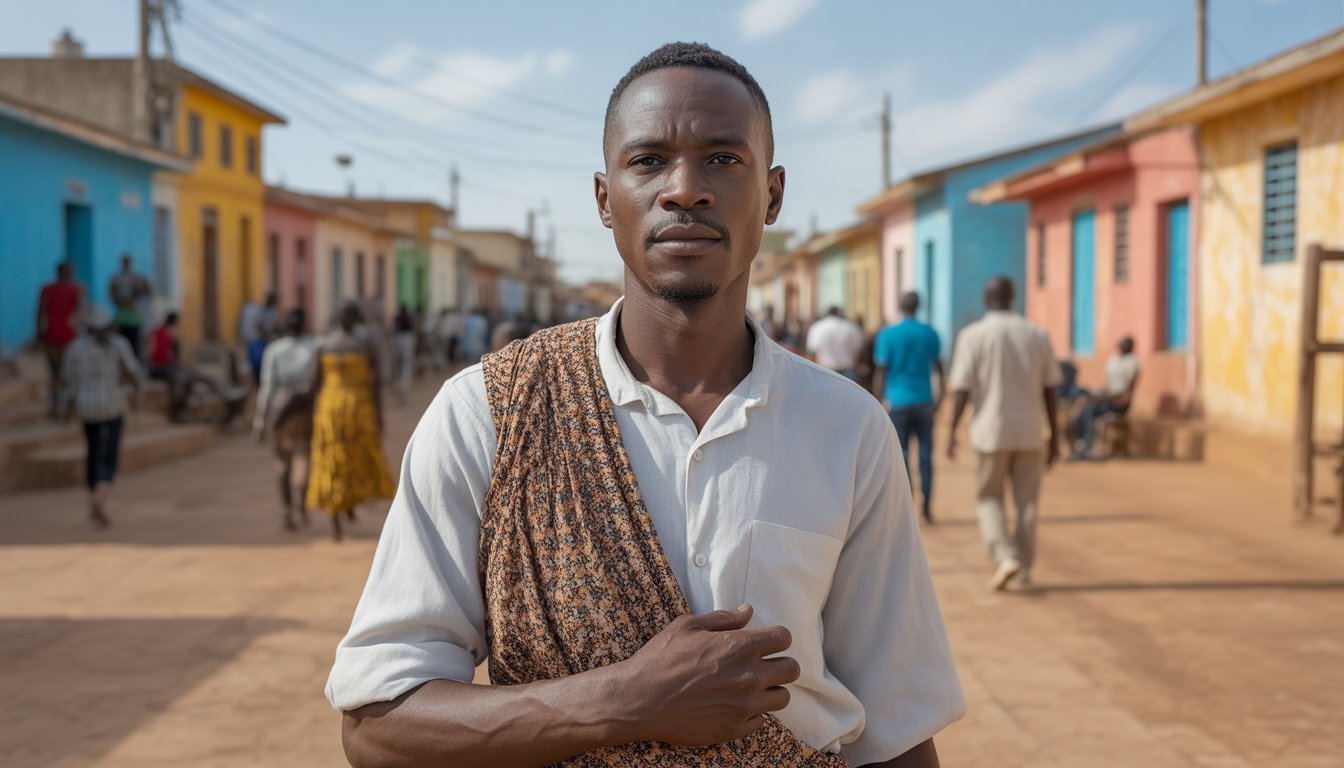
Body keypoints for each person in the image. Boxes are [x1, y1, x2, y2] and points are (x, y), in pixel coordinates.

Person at [329, 42, 963, 767]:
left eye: (723, 159)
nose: (685, 189)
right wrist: (625, 700)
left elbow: (896, 731)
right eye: (648, 161)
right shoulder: (487, 414)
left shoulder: (848, 428)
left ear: (774, 195)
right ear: (605, 199)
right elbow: (377, 724)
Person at [946, 276, 1062, 591]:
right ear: (1014, 297)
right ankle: (1022, 568)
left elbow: (962, 389)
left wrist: (952, 429)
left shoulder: (973, 335)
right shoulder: (1037, 335)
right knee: (1027, 503)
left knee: (988, 497)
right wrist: (1056, 436)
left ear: (986, 299)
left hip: (989, 432)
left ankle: (1005, 555)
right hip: (1030, 432)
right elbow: (1051, 389)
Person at [306, 301, 396, 542]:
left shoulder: (322, 344)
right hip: (360, 408)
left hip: (330, 409)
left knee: (333, 459)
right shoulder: (366, 345)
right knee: (358, 456)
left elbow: (312, 385)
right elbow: (376, 384)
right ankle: (349, 504)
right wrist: (379, 415)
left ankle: (337, 518)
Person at [58, 305, 143, 528]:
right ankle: (101, 495)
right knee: (109, 454)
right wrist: (136, 393)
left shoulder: (75, 348)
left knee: (93, 451)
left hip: (86, 409)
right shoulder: (119, 345)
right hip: (113, 407)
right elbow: (134, 372)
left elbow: (68, 384)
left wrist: (66, 412)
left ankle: (94, 495)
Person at [872, 292, 945, 523]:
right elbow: (940, 369)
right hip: (924, 401)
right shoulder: (930, 333)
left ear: (900, 306)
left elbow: (881, 371)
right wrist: (940, 398)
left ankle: (907, 507)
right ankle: (927, 507)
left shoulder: (888, 334)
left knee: (901, 454)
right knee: (926, 455)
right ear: (919, 306)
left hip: (897, 402)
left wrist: (877, 401)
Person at [253, 308, 317, 531]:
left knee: (282, 464)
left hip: (278, 412)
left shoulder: (274, 350)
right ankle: (301, 505)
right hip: (304, 412)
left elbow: (267, 387)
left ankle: (286, 510)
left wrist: (259, 422)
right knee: (303, 457)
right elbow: (316, 385)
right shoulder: (313, 347)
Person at [147, 312, 246, 425]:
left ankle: (188, 406)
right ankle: (180, 410)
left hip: (166, 365)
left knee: (193, 376)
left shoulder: (162, 332)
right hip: (160, 367)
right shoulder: (165, 332)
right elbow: (158, 353)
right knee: (182, 380)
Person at [1070, 336, 1140, 460]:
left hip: (1118, 403)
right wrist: (1099, 395)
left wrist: (1103, 397)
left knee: (1089, 409)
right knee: (1083, 402)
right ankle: (1081, 443)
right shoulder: (1113, 360)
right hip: (1107, 397)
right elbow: (1107, 385)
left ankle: (1086, 446)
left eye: (1126, 344)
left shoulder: (1133, 362)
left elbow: (1126, 392)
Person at [36, 262, 85, 419]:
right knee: (68, 374)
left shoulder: (47, 289)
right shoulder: (76, 290)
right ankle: (66, 410)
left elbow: (39, 313)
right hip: (68, 336)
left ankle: (55, 409)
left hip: (51, 335)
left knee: (55, 373)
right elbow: (80, 313)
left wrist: (39, 334)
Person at [108, 254, 151, 358]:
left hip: (133, 314)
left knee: (134, 341)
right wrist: (119, 302)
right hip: (122, 314)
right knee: (120, 339)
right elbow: (111, 291)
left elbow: (147, 291)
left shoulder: (137, 277)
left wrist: (135, 298)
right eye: (124, 261)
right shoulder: (116, 278)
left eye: (127, 261)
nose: (125, 263)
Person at [805, 306, 863, 381]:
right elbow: (858, 348)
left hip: (824, 370)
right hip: (847, 370)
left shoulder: (817, 327)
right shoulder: (851, 327)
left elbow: (811, 350)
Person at [393, 303, 417, 405]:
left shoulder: (398, 317)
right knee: (407, 361)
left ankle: (402, 381)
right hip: (406, 338)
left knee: (401, 361)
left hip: (399, 338)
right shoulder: (407, 317)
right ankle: (405, 380)